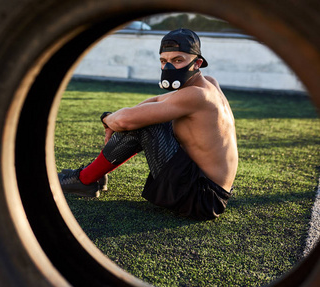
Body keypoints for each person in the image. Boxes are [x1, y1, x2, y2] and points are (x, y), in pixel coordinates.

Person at [59, 28, 238, 220]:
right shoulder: (208, 83)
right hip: (209, 192)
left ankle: (85, 180)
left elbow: (124, 121)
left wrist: (107, 118)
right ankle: (92, 176)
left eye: (178, 60)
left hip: (201, 199)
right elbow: (156, 100)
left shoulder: (196, 95)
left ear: (197, 63)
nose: (169, 67)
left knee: (146, 125)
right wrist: (125, 116)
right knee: (144, 118)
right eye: (164, 61)